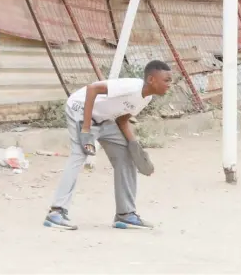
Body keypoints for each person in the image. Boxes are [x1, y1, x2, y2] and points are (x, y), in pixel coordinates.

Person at [44, 60, 173, 231]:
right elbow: (93, 89)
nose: (169, 85)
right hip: (80, 111)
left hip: (104, 119)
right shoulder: (131, 86)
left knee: (126, 156)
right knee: (79, 155)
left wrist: (134, 146)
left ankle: (125, 215)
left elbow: (122, 120)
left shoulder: (146, 98)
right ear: (151, 79)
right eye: (166, 80)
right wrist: (86, 130)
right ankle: (56, 213)